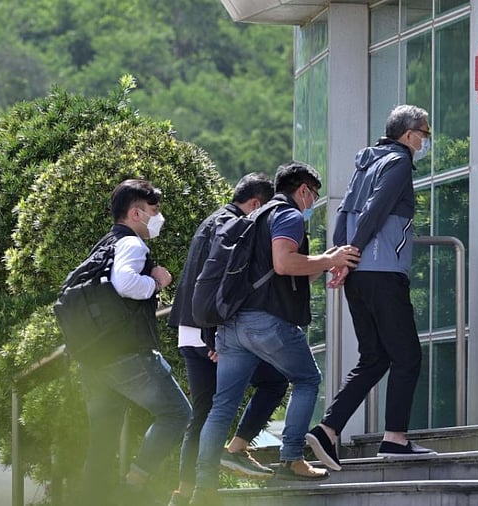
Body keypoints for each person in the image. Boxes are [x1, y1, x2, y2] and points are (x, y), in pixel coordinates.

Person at [188, 162, 360, 506]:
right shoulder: (289, 216)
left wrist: (323, 260)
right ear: (303, 190)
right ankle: (292, 458)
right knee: (307, 379)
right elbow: (284, 263)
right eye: (313, 194)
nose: (312, 201)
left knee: (222, 405)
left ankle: (202, 486)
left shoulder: (253, 218)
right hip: (265, 322)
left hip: (232, 325)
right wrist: (330, 260)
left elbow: (282, 273)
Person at [306, 105, 436, 472]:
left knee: (376, 357)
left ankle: (328, 430)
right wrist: (353, 252)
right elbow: (375, 210)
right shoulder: (397, 162)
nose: (425, 141)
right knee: (407, 356)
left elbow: (345, 212)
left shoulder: (366, 162)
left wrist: (340, 258)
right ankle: (395, 439)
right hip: (382, 272)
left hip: (359, 274)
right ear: (409, 135)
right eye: (424, 134)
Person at [166, 174, 290, 506]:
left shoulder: (212, 221)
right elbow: (218, 283)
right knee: (275, 380)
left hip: (189, 329)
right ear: (255, 205)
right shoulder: (234, 227)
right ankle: (235, 450)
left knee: (204, 410)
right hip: (211, 332)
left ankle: (187, 490)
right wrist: (214, 338)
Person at [76, 179, 192, 506]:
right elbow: (125, 283)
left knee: (102, 441)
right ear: (137, 213)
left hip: (95, 357)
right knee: (176, 413)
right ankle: (132, 487)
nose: (159, 217)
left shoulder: (104, 244)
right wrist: (157, 281)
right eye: (155, 211)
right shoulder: (131, 243)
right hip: (127, 354)